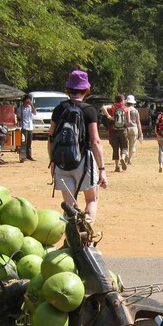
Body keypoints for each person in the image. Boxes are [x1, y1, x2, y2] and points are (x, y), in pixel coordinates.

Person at [48, 70, 107, 221]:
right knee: (91, 200)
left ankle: (71, 240)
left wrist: (53, 162)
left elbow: (50, 138)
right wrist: (102, 169)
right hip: (83, 161)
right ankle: (85, 238)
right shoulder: (89, 110)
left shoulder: (59, 109)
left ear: (68, 89)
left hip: (61, 161)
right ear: (86, 89)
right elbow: (95, 141)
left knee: (69, 204)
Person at [107, 94, 128, 171]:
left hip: (114, 131)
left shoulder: (112, 107)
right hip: (123, 131)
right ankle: (123, 157)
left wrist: (109, 116)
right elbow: (128, 121)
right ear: (122, 100)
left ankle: (117, 166)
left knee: (115, 148)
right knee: (124, 146)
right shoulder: (125, 108)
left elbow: (103, 107)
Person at [124, 94, 142, 166]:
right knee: (132, 144)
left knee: (125, 143)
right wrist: (140, 133)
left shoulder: (125, 110)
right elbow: (138, 122)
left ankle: (126, 155)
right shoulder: (136, 111)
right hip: (134, 128)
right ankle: (130, 159)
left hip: (126, 128)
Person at [20, 94, 36, 161]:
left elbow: (34, 112)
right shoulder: (20, 108)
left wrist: (31, 105)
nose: (28, 101)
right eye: (27, 99)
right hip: (24, 126)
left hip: (30, 126)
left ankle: (29, 156)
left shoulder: (30, 107)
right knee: (24, 142)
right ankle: (24, 156)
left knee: (29, 142)